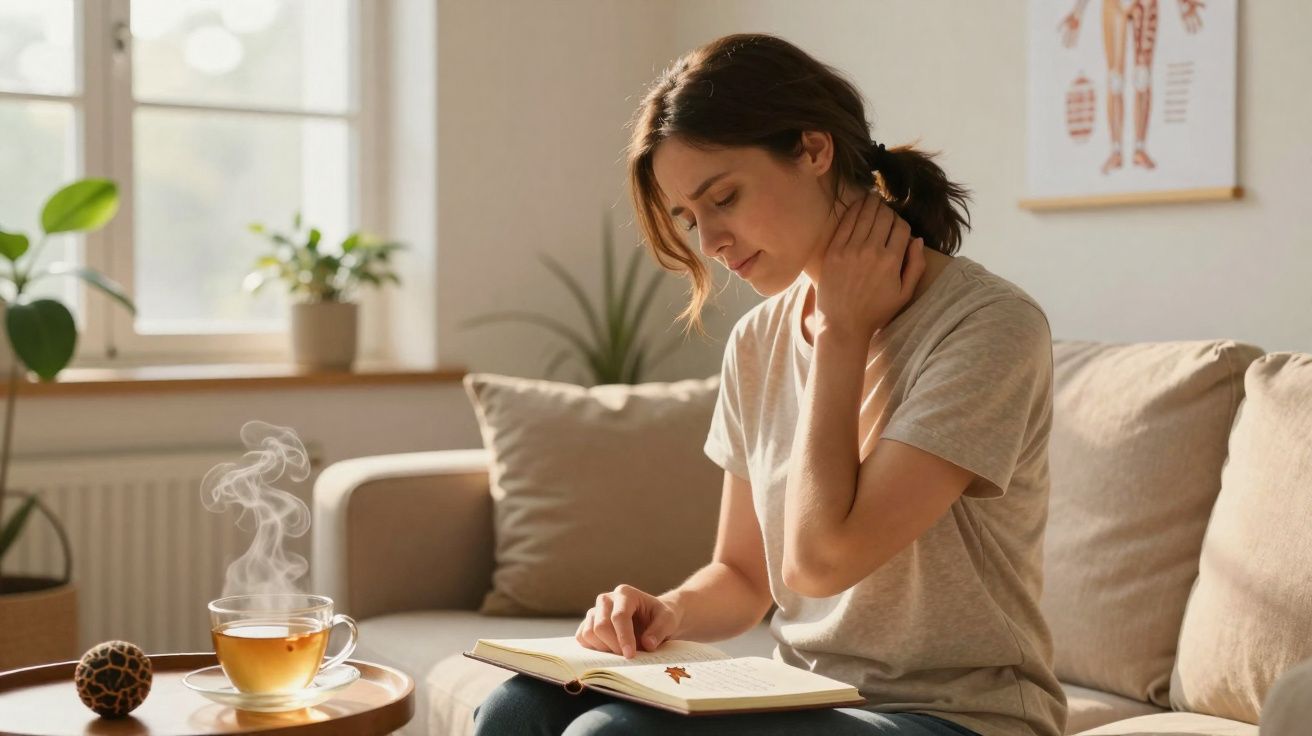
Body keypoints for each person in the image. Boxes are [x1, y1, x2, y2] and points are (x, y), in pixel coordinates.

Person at [473, 32, 1066, 736]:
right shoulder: (758, 339)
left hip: (960, 719)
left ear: (814, 151)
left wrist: (843, 336)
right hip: (811, 699)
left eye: (723, 197)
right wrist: (669, 611)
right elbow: (745, 577)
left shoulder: (987, 327)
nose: (713, 243)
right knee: (517, 708)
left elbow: (819, 563)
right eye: (691, 220)